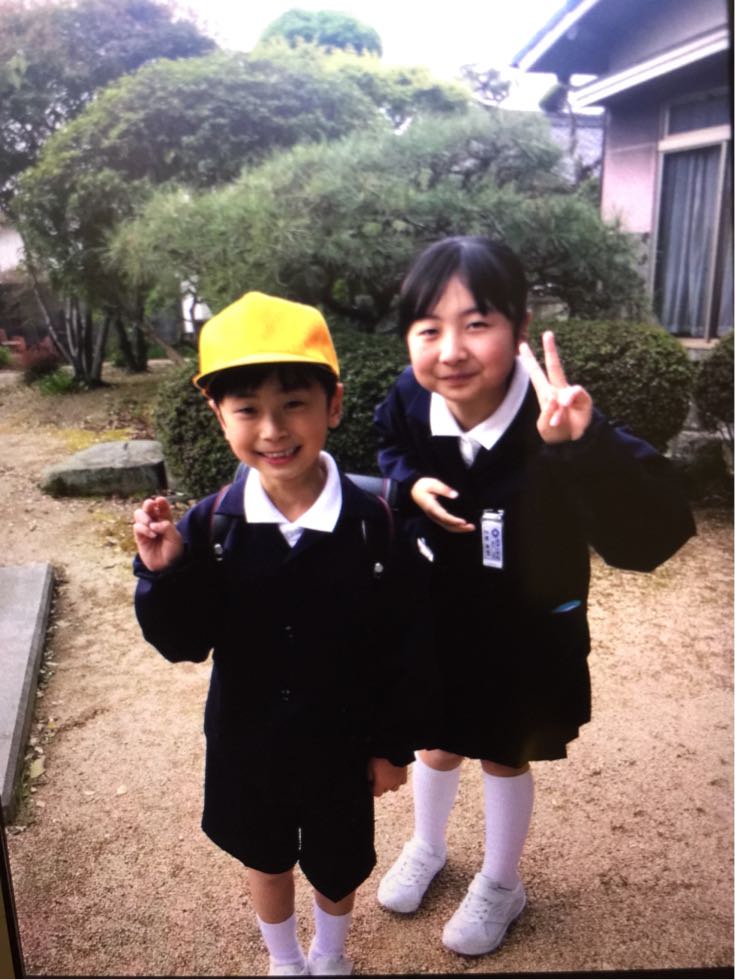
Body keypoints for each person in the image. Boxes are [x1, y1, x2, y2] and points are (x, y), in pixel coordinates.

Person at [373, 235, 696, 957]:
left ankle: (500, 881)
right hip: (438, 611)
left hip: (523, 629)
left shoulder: (555, 416)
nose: (450, 350)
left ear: (519, 327)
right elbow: (388, 443)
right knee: (434, 739)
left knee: (503, 750)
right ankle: (427, 845)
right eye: (428, 328)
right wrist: (407, 483)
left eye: (475, 323)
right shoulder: (409, 396)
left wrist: (584, 445)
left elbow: (649, 538)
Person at [133, 291, 417, 978]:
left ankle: (331, 955)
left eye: (293, 403)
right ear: (218, 416)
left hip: (341, 738)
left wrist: (391, 747)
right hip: (247, 739)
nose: (272, 429)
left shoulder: (375, 522)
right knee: (264, 854)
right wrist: (165, 573)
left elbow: (402, 645)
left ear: (333, 404)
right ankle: (285, 961)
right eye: (247, 409)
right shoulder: (211, 526)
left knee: (338, 859)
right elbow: (184, 642)